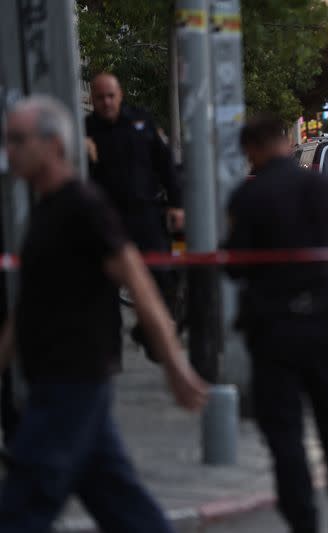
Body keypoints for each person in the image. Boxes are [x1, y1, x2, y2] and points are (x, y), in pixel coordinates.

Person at [0, 95, 207, 532]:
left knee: (22, 509)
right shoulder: (45, 212)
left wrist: (173, 364)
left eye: (18, 140)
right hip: (60, 384)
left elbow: (139, 284)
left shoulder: (83, 206)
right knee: (124, 507)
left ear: (53, 145)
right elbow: (27, 307)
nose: (9, 150)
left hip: (71, 382)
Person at [225, 114, 328, 533]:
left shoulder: (248, 199)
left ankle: (304, 522)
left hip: (273, 332)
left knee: (286, 438)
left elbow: (235, 266)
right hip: (324, 326)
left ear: (252, 149)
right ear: (287, 142)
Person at [84, 73, 184, 358]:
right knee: (105, 290)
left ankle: (149, 335)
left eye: (111, 96)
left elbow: (165, 164)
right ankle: (110, 351)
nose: (106, 102)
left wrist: (177, 205)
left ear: (120, 95)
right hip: (107, 220)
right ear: (92, 98)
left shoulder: (141, 122)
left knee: (163, 278)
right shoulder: (87, 131)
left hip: (146, 215)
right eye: (100, 97)